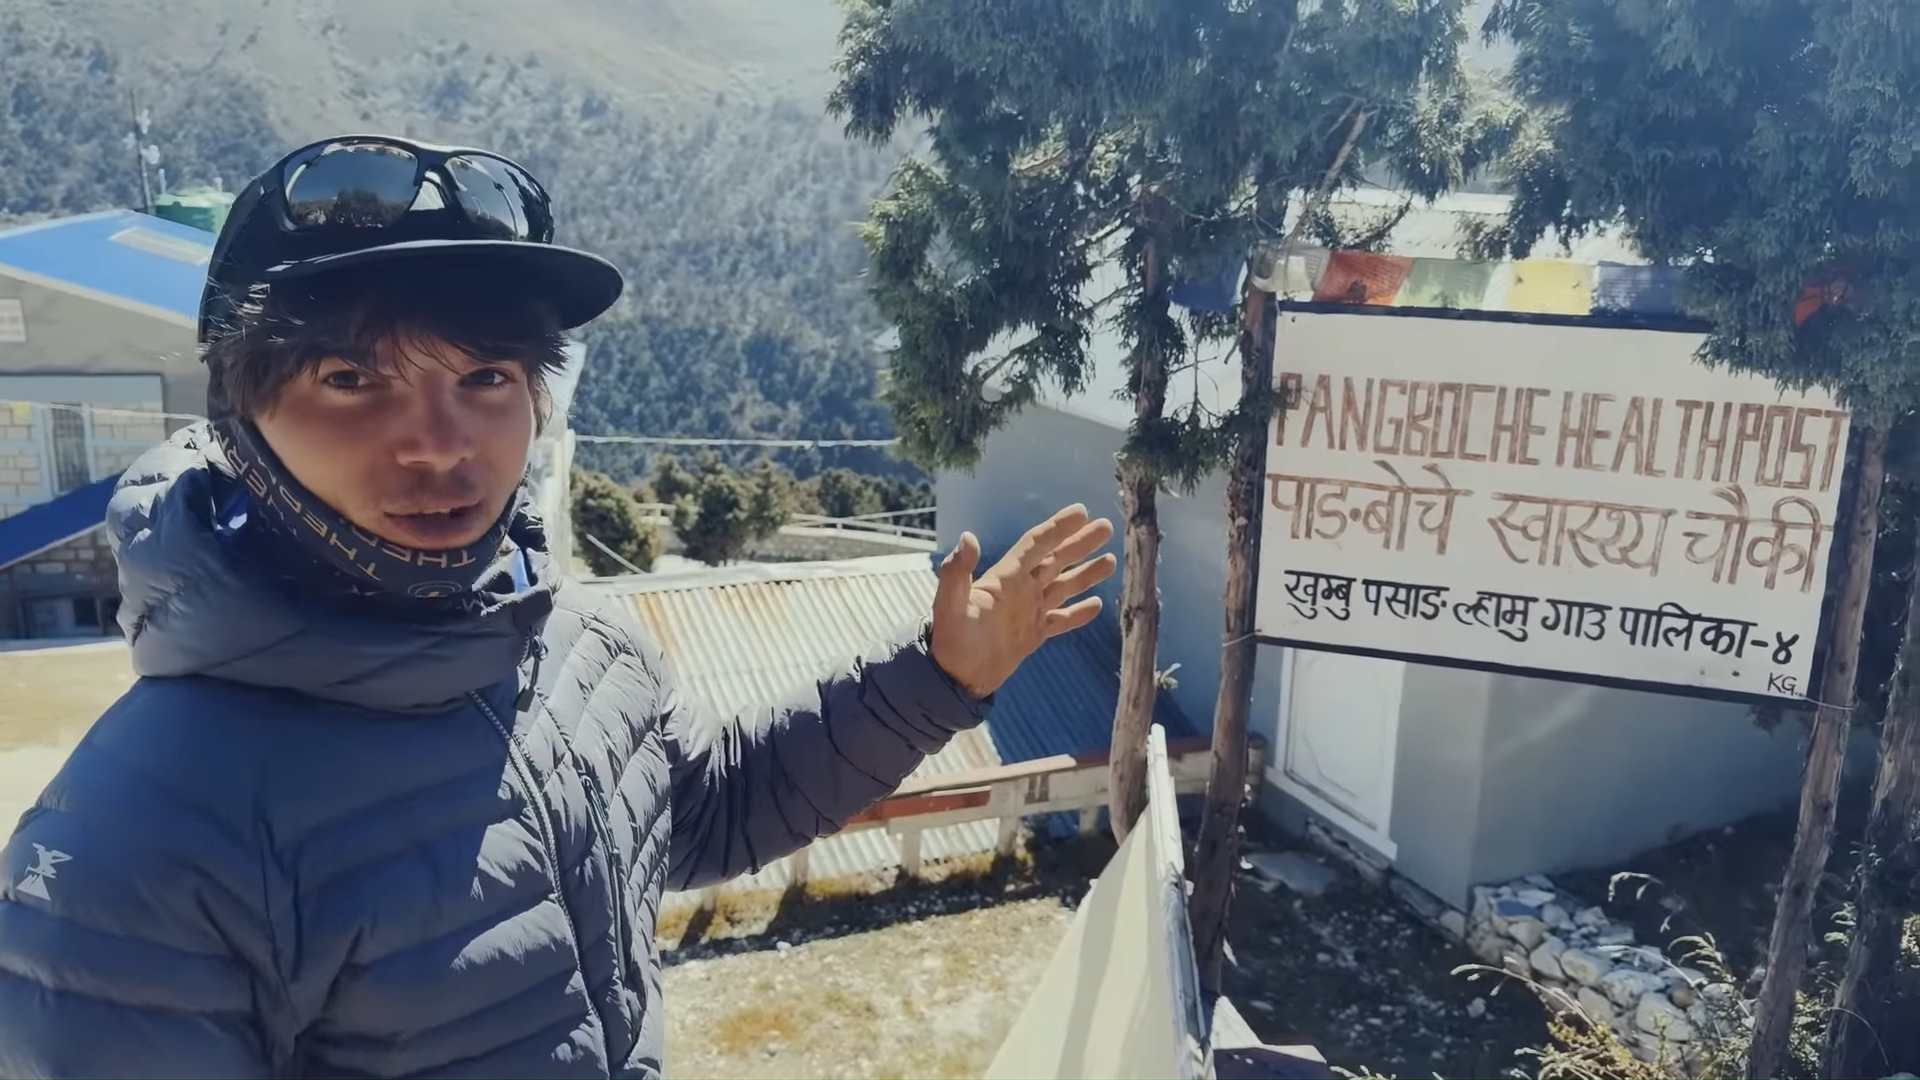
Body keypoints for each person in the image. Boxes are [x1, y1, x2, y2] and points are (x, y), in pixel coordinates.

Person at [0, 136, 1116, 1078]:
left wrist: (940, 678)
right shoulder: (131, 853)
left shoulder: (576, 651)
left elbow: (705, 813)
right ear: (237, 418)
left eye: (485, 378)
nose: (440, 445)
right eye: (353, 380)